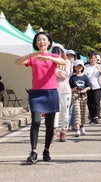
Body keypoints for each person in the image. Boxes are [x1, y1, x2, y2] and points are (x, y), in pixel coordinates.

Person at [15, 32, 66, 163]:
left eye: (44, 40)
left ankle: (46, 150)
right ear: (36, 43)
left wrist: (48, 58)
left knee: (50, 125)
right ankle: (33, 152)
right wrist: (32, 55)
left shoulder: (54, 56)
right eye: (39, 40)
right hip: (36, 93)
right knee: (36, 121)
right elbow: (17, 62)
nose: (41, 42)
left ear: (49, 42)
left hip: (51, 93)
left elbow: (63, 61)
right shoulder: (33, 58)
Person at [51, 44, 72, 142]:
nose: (57, 54)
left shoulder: (67, 62)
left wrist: (55, 71)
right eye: (55, 52)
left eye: (59, 52)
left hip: (65, 90)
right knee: (55, 112)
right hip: (53, 90)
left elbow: (66, 75)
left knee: (65, 111)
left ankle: (63, 130)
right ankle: (53, 130)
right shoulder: (50, 62)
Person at [69, 60, 92, 137]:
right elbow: (69, 87)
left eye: (80, 66)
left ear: (83, 67)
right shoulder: (72, 77)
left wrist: (85, 89)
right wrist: (73, 89)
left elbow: (89, 86)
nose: (79, 68)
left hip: (83, 96)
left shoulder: (85, 77)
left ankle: (82, 127)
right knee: (76, 111)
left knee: (82, 112)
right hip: (75, 96)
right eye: (77, 66)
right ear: (74, 67)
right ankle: (77, 129)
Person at [85, 53, 101, 124]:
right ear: (89, 59)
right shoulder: (86, 66)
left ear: (96, 59)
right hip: (88, 87)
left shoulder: (100, 66)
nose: (93, 60)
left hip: (98, 86)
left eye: (94, 58)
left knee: (96, 101)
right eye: (91, 58)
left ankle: (96, 116)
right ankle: (91, 116)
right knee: (89, 102)